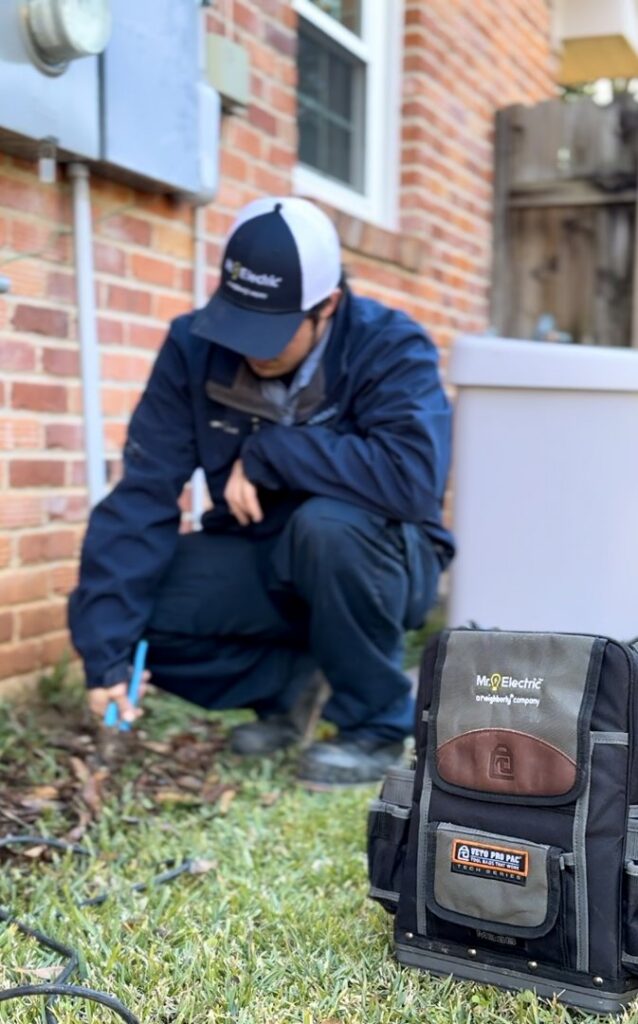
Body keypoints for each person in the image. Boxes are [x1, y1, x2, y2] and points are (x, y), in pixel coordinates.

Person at [68, 196, 454, 787]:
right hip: (261, 555)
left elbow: (412, 479)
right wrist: (106, 657)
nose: (252, 349)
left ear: (328, 305)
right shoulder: (191, 347)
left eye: (272, 333)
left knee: (328, 527)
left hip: (377, 557)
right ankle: (291, 689)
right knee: (121, 613)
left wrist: (272, 450)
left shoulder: (392, 345)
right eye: (241, 327)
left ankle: (375, 724)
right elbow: (143, 495)